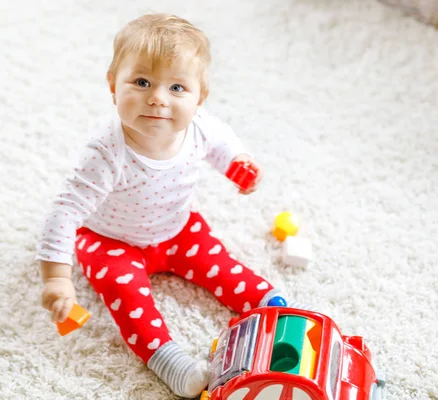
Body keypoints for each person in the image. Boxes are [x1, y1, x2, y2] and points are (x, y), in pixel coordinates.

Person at [36, 13, 309, 398]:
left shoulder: (200, 127)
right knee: (127, 296)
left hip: (178, 229)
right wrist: (56, 278)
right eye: (142, 82)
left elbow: (223, 143)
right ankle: (168, 360)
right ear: (113, 86)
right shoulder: (106, 152)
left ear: (200, 98)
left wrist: (239, 165)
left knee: (225, 268)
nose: (158, 98)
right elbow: (65, 212)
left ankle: (274, 306)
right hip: (111, 241)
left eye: (177, 87)